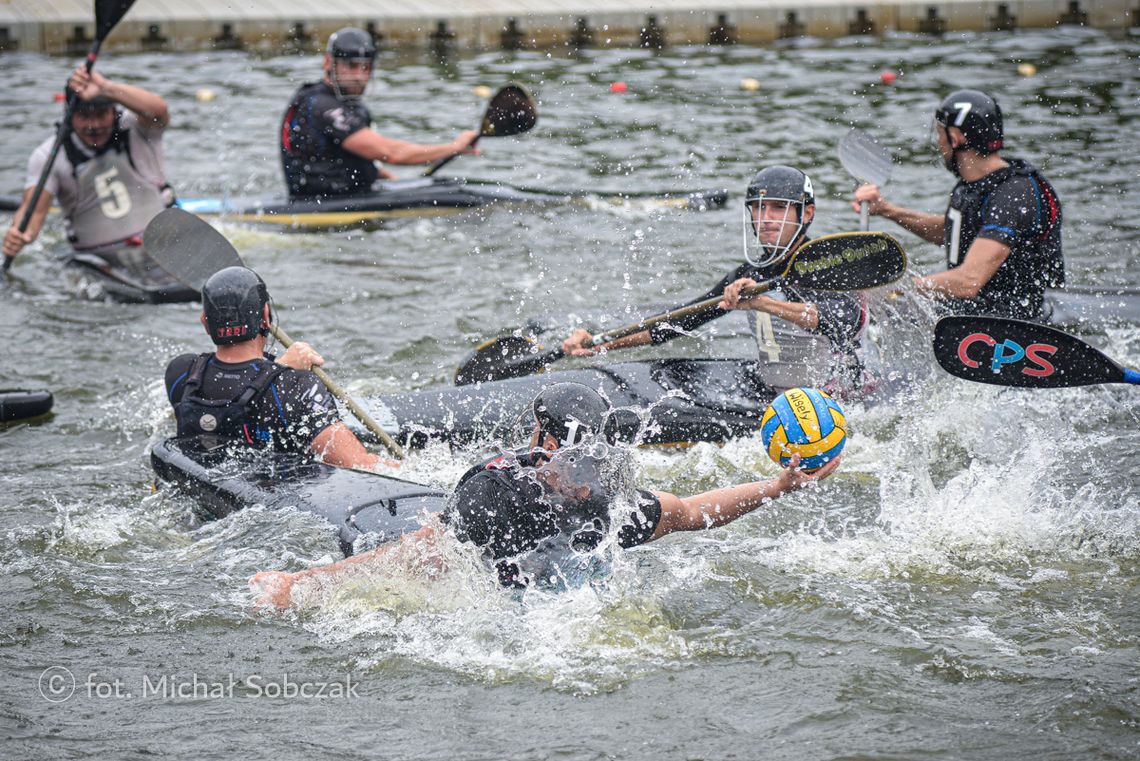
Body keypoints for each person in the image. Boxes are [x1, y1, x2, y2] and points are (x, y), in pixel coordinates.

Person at [251, 382, 840, 607]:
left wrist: (299, 585)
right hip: (588, 617)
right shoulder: (609, 498)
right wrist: (780, 486)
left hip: (509, 630)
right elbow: (689, 512)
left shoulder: (493, 488)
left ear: (543, 437)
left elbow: (418, 556)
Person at [561, 165, 869, 394]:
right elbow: (675, 323)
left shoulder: (829, 266)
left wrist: (761, 303)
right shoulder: (747, 276)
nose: (767, 218)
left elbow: (840, 320)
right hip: (774, 393)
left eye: (779, 208)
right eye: (759, 209)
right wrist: (600, 343)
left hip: (839, 396)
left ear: (806, 214)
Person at [851, 89, 1063, 320]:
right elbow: (956, 232)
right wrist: (887, 210)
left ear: (956, 137)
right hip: (969, 311)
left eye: (941, 134)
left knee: (879, 311)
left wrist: (894, 289)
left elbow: (968, 281)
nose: (939, 143)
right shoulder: (975, 184)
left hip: (1012, 322)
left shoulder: (1014, 194)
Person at [165, 266, 389, 470]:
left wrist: (277, 370)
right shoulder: (296, 386)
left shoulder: (181, 373)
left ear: (205, 322)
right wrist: (417, 471)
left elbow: (232, 391)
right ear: (265, 317)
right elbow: (357, 465)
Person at [3, 65, 174, 267]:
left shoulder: (137, 127)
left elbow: (160, 110)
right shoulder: (49, 156)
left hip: (160, 245)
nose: (93, 125)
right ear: (68, 114)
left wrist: (105, 87)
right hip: (97, 261)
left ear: (113, 112)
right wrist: (20, 234)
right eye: (84, 116)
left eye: (101, 114)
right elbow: (33, 211)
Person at [280, 27, 480, 198]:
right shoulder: (322, 106)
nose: (359, 76)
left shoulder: (347, 105)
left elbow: (348, 160)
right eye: (351, 66)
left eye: (365, 67)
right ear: (328, 63)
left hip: (350, 194)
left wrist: (393, 181)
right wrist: (454, 147)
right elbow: (392, 153)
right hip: (321, 202)